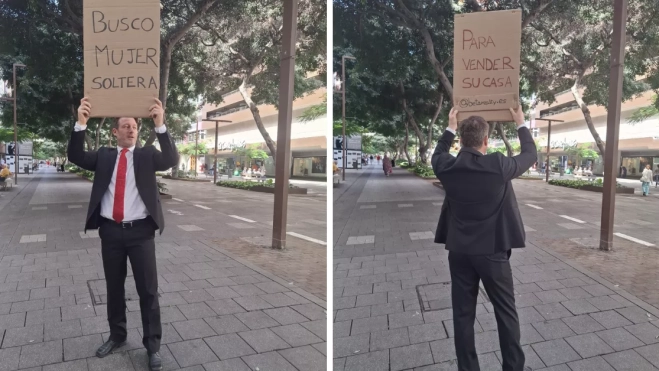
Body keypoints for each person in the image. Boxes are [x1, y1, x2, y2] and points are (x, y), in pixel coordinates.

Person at [68, 97, 179, 371]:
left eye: (134, 127)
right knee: (114, 288)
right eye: (125, 126)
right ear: (114, 132)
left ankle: (152, 346)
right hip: (111, 232)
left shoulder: (147, 155)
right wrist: (80, 124)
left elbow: (170, 159)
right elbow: (76, 156)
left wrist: (160, 124)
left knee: (148, 291)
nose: (131, 130)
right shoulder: (104, 156)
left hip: (141, 233)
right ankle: (117, 336)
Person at [431, 106, 536, 371]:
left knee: (463, 315)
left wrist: (449, 127)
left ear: (461, 141)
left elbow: (437, 153)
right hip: (492, 253)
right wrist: (521, 123)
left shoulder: (447, 166)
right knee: (505, 312)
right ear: (486, 140)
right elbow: (530, 154)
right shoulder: (498, 165)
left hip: (459, 252)